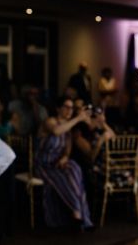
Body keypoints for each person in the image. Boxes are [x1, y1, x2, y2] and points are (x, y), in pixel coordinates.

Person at [35, 97, 93, 230]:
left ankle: (80, 215)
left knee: (75, 168)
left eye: (71, 108)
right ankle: (77, 210)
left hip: (57, 162)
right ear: (58, 108)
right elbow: (56, 131)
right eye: (66, 107)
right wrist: (78, 118)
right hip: (43, 164)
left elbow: (67, 148)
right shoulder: (50, 121)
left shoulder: (69, 125)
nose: (69, 110)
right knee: (62, 176)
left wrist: (65, 157)